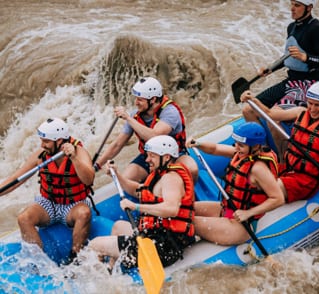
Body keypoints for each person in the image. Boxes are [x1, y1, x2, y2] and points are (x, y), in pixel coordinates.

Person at [241, 82, 319, 203]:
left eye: (318, 105)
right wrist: (252, 100)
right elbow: (269, 114)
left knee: (265, 189)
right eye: (310, 103)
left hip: (306, 181)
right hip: (286, 168)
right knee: (247, 178)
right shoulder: (301, 112)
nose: (312, 109)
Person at [89, 135, 195, 270]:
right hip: (155, 236)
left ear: (167, 157)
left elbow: (171, 209)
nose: (147, 160)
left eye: (152, 156)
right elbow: (139, 191)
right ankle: (111, 270)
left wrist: (136, 206)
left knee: (95, 245)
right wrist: (117, 175)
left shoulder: (171, 178)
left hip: (163, 247)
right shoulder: (159, 174)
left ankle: (100, 281)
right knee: (118, 226)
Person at [0, 118, 94, 262]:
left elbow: (89, 179)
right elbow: (15, 179)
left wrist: (74, 158)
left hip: (72, 205)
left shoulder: (79, 152)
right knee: (24, 218)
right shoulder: (41, 154)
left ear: (60, 141)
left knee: (84, 213)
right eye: (42, 140)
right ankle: (40, 263)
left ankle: (75, 258)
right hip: (48, 204)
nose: (42, 145)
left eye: (46, 141)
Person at [185, 122, 285, 246]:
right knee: (184, 209)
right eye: (236, 143)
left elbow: (278, 199)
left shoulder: (258, 169)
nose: (236, 148)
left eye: (241, 145)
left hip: (241, 226)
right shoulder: (242, 154)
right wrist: (198, 144)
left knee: (186, 220)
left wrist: (248, 213)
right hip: (229, 210)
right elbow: (215, 149)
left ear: (256, 146)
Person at [93, 76, 198, 184]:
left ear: (152, 99)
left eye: (140, 99)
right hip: (150, 158)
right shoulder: (135, 116)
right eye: (136, 98)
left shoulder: (170, 112)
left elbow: (155, 136)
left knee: (192, 169)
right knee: (125, 180)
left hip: (173, 156)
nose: (136, 103)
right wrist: (97, 166)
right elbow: (117, 144)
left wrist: (128, 118)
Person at [242, 0, 319, 122]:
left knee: (276, 116)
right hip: (290, 81)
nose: (292, 8)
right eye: (291, 4)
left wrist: (305, 57)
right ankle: (258, 140)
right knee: (249, 109)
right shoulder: (292, 27)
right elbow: (288, 56)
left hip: (307, 84)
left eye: (297, 5)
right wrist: (271, 68)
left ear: (309, 8)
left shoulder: (318, 29)